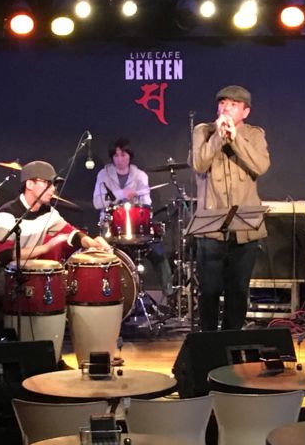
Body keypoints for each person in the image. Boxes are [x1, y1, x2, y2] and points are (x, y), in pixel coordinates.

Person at [189, 85, 270, 331]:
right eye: (223, 103)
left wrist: (235, 139)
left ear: (245, 112)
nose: (226, 108)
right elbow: (199, 164)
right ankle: (208, 340)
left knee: (238, 290)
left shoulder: (254, 134)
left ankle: (231, 339)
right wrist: (218, 137)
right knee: (209, 291)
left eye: (234, 105)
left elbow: (261, 166)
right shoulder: (203, 131)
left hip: (244, 229)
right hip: (211, 228)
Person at [0, 160, 109, 275]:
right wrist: (46, 247)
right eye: (47, 183)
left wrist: (90, 242)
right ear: (29, 184)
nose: (53, 189)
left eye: (54, 184)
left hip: (24, 271)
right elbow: (5, 255)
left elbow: (71, 233)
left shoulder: (48, 212)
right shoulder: (7, 214)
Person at [92, 138, 172, 296]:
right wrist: (121, 194)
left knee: (159, 253)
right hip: (111, 228)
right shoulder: (103, 175)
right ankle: (108, 295)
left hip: (136, 228)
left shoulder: (140, 176)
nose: (120, 159)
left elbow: (147, 204)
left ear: (130, 156)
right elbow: (97, 202)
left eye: (123, 155)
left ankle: (170, 294)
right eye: (116, 156)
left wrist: (136, 199)